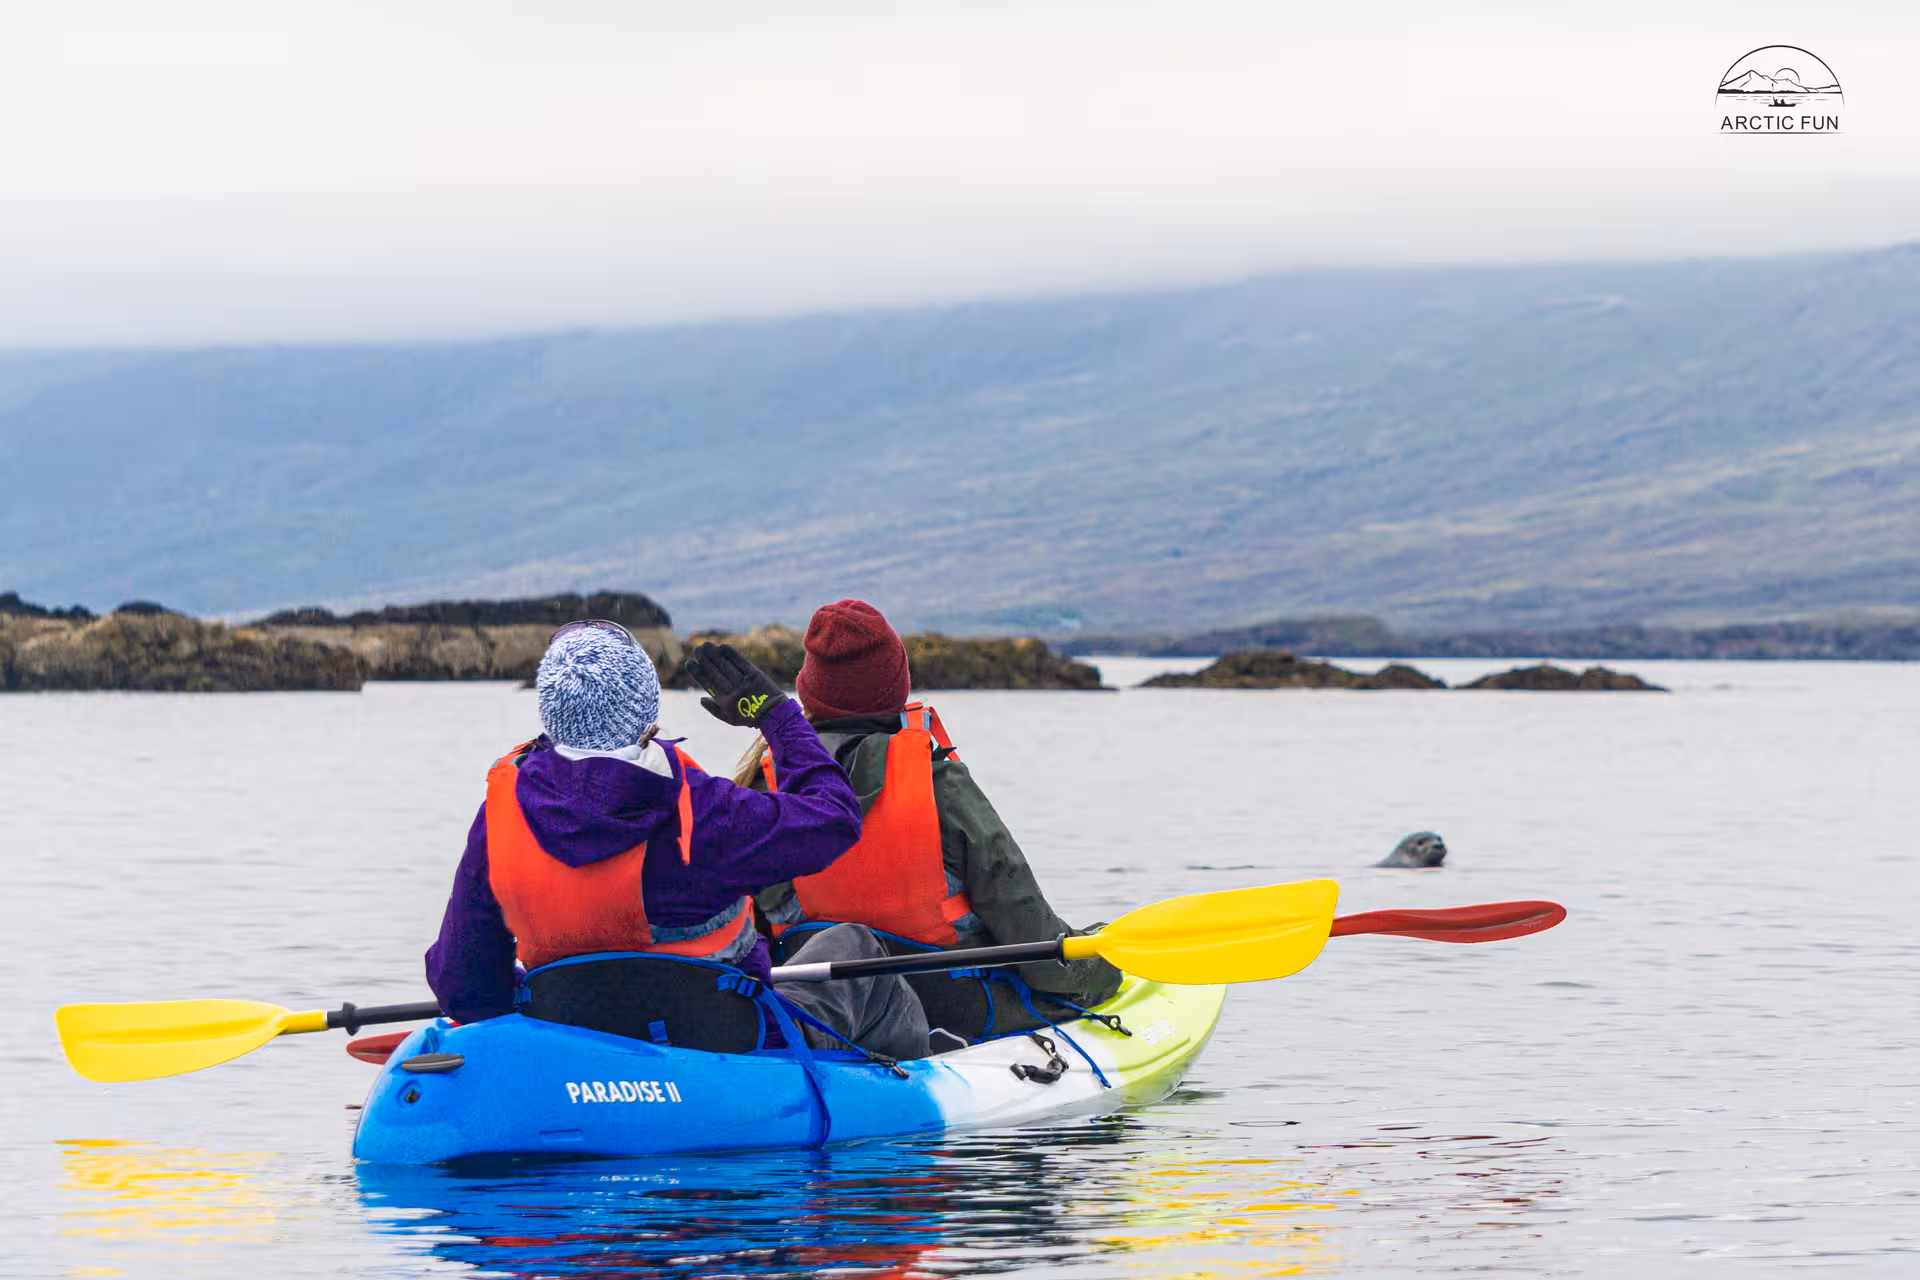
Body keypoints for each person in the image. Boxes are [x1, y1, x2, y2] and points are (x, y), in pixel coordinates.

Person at [425, 620, 929, 1061]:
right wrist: (777, 715)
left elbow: (464, 987)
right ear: (646, 709)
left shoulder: (499, 817)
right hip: (730, 1042)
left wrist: (548, 994)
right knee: (856, 947)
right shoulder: (704, 811)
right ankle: (912, 1088)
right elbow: (835, 816)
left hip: (568, 1042)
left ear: (551, 712)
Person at [742, 600, 1122, 1037]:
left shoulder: (762, 787)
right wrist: (1102, 971)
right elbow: (1024, 926)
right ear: (895, 687)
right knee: (1091, 948)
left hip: (831, 1010)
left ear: (810, 689)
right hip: (963, 1012)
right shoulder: (939, 782)